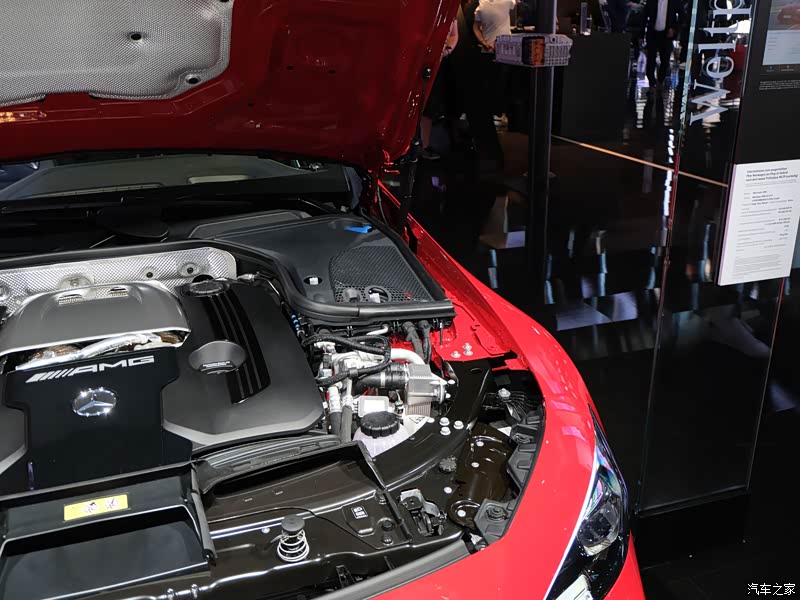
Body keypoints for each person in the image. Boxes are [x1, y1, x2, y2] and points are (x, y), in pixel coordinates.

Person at [421, 19, 459, 160]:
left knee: (429, 106)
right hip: (415, 60)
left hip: (437, 64)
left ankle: (424, 146)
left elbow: (454, 34)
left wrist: (447, 51)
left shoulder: (450, 13)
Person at [644, 0, 684, 87]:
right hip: (652, 33)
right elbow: (644, 15)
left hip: (667, 34)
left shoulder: (674, 2)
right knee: (651, 58)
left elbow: (682, 16)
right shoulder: (651, 1)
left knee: (665, 60)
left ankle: (660, 81)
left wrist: (674, 29)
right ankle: (651, 82)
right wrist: (641, 34)